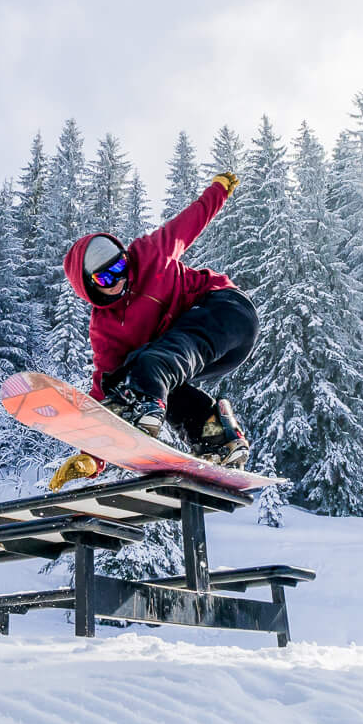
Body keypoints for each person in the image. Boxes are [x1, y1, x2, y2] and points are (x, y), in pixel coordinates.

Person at [47, 170, 257, 490]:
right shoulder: (105, 330)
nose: (118, 279)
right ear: (89, 288)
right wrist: (93, 457)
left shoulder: (149, 254)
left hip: (226, 311)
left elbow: (190, 221)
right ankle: (216, 435)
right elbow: (102, 390)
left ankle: (146, 403)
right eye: (105, 279)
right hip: (208, 354)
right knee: (130, 377)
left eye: (119, 267)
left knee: (152, 366)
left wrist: (219, 189)